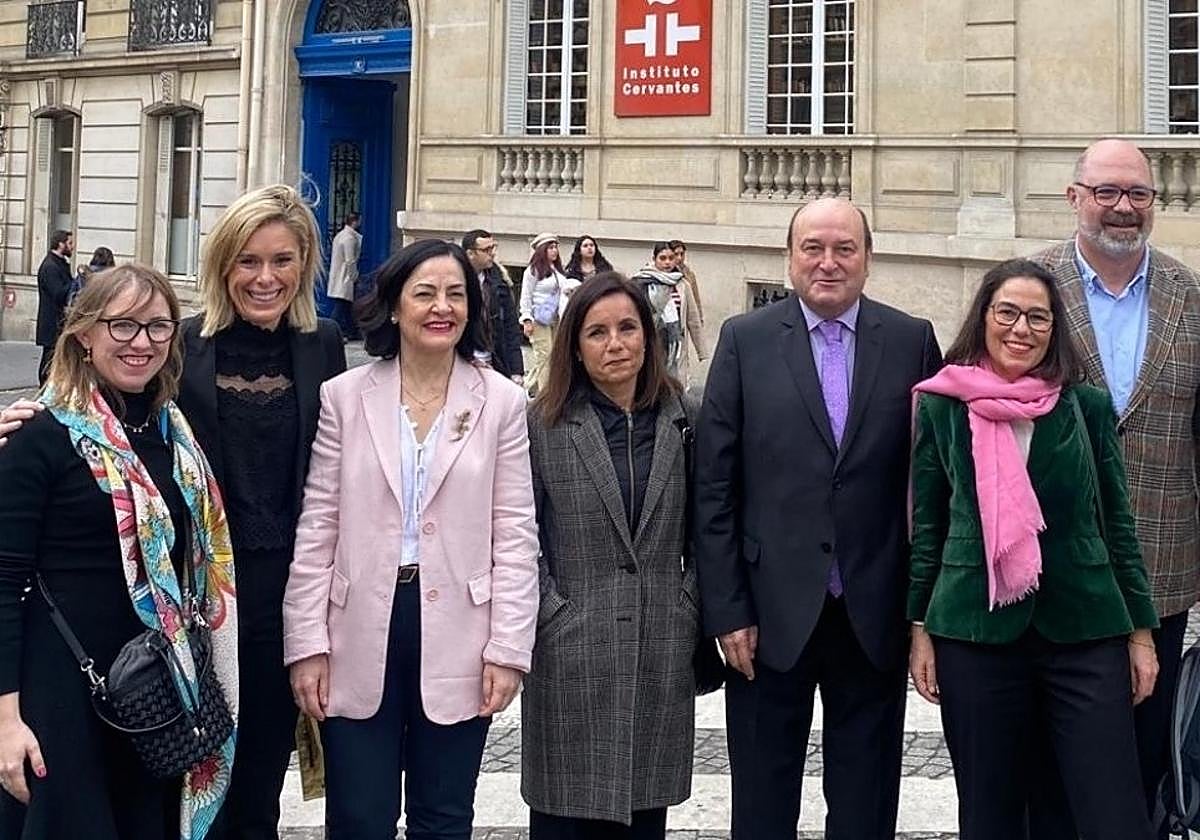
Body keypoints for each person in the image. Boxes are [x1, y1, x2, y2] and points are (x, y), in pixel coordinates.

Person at [0, 184, 347, 840]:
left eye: (282, 259)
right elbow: (93, 417)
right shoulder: (181, 344)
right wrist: (21, 426)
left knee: (256, 790)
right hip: (187, 608)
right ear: (221, 265)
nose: (265, 277)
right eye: (247, 260)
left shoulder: (322, 345)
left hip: (282, 602)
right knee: (178, 791)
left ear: (304, 265)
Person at [693, 197, 941, 839]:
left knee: (866, 802)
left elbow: (932, 486)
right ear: (789, 257)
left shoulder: (911, 341)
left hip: (873, 612)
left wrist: (922, 613)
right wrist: (728, 610)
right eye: (813, 248)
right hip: (767, 614)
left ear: (868, 259)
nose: (828, 263)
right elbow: (715, 487)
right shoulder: (744, 340)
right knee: (762, 802)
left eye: (844, 249)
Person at [283, 239, 539, 840]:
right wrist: (307, 643)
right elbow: (318, 526)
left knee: (443, 817)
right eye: (425, 294)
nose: (441, 307)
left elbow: (515, 534)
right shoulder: (345, 396)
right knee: (358, 818)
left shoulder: (501, 402)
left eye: (455, 294)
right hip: (356, 627)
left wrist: (508, 648)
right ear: (396, 306)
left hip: (461, 632)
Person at [907, 258, 1159, 840]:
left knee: (1112, 812)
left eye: (1038, 318)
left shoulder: (1085, 406)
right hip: (975, 630)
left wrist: (1141, 633)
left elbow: (1118, 523)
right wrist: (919, 626)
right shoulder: (943, 406)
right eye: (1008, 313)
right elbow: (929, 525)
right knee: (990, 813)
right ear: (984, 317)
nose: (1021, 328)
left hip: (1084, 629)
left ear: (1054, 328)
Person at [0, 264, 238, 840]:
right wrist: (5, 719)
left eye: (158, 326)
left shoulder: (175, 436)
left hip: (153, 692)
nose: (142, 342)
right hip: (63, 690)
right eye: (123, 325)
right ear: (85, 334)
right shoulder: (40, 435)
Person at [1027, 138, 1200, 838]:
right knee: (1050, 764)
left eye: (1137, 194)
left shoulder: (1189, 294)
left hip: (1161, 565)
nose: (1123, 207)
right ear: (1075, 197)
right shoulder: (1029, 288)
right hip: (1052, 568)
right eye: (1107, 192)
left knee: (1147, 756)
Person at [523, 272, 698, 840]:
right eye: (597, 332)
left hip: (658, 644)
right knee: (562, 818)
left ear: (648, 336)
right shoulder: (544, 424)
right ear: (575, 345)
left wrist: (688, 604)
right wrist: (551, 611)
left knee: (644, 816)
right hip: (570, 648)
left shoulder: (684, 418)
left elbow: (708, 524)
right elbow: (522, 534)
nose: (615, 344)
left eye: (627, 328)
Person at [630, 242, 707, 386]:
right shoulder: (640, 282)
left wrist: (701, 350)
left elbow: (693, 318)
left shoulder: (682, 283)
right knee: (651, 382)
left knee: (675, 384)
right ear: (654, 259)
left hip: (676, 343)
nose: (667, 262)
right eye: (663, 258)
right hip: (651, 341)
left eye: (671, 258)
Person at [518, 233, 579, 395]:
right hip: (539, 319)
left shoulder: (558, 271)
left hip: (555, 318)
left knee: (553, 356)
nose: (554, 251)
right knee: (544, 356)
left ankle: (528, 387)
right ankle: (546, 394)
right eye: (550, 248)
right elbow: (526, 296)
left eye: (556, 247)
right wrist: (526, 319)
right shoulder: (532, 271)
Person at [462, 229, 525, 384]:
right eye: (486, 250)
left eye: (493, 247)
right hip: (462, 360)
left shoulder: (499, 283)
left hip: (493, 359)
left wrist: (516, 370)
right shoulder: (455, 281)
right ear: (470, 254)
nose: (492, 253)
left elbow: (510, 327)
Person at [35, 230, 74, 384]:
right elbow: (58, 293)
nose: (72, 246)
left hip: (59, 321)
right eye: (70, 243)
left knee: (56, 358)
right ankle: (44, 388)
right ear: (60, 244)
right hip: (52, 322)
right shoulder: (50, 266)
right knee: (49, 359)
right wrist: (75, 283)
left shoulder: (60, 263)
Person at [327, 213, 362, 340]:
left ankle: (352, 331)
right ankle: (330, 332)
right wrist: (354, 276)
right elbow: (350, 260)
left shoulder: (340, 235)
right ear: (355, 222)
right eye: (359, 220)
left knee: (347, 307)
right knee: (341, 306)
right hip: (345, 278)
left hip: (339, 276)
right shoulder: (349, 238)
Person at [668, 240, 704, 323]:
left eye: (682, 254)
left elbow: (696, 299)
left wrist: (700, 318)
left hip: (686, 317)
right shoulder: (664, 274)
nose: (679, 258)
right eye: (676, 254)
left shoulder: (689, 275)